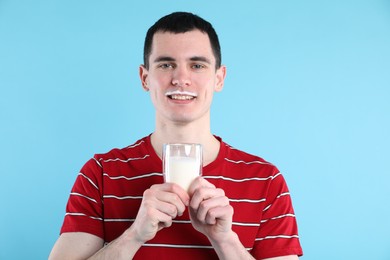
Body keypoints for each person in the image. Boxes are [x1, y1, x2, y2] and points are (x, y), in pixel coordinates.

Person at [49, 12, 303, 259]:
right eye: (166, 64)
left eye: (197, 65)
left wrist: (225, 241)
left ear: (219, 78)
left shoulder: (266, 180)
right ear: (145, 78)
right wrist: (134, 235)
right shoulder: (100, 173)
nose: (181, 79)